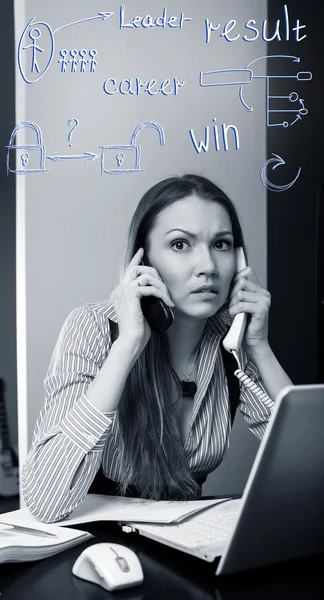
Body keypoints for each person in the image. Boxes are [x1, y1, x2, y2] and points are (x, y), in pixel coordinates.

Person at [22, 174, 292, 523]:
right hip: (101, 546)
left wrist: (258, 346)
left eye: (221, 245)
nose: (208, 267)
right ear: (144, 260)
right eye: (181, 245)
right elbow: (44, 503)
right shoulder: (93, 327)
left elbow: (311, 463)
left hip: (187, 544)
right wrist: (128, 345)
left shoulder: (232, 342)